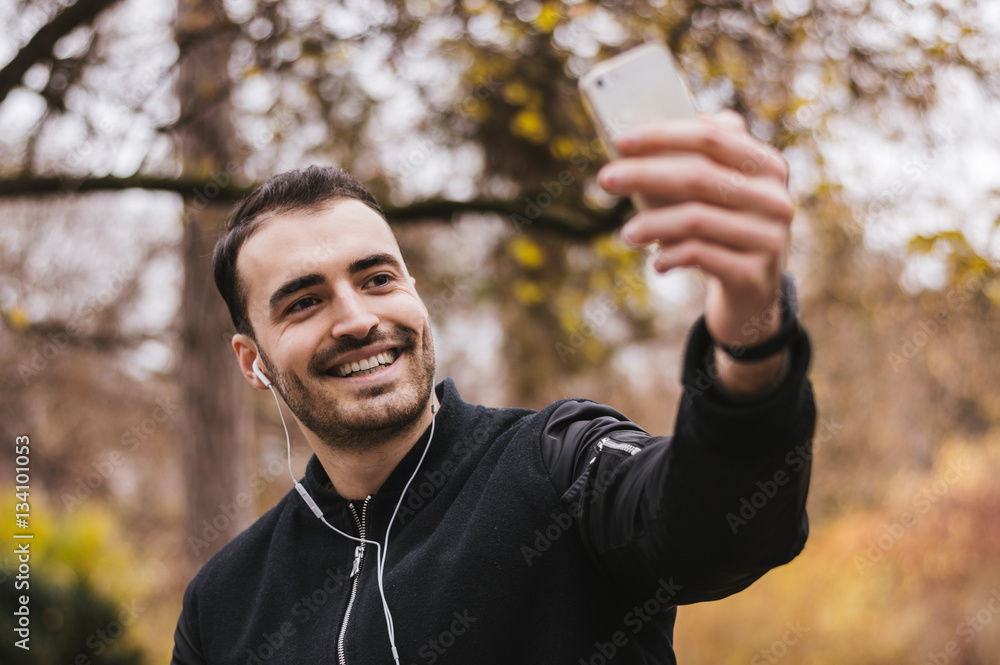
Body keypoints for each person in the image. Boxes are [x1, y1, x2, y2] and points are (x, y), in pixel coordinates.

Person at [172, 111, 816, 665]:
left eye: (376, 279)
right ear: (251, 361)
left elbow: (722, 527)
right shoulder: (222, 607)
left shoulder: (559, 461)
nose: (359, 320)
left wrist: (752, 339)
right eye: (305, 301)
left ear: (414, 295)